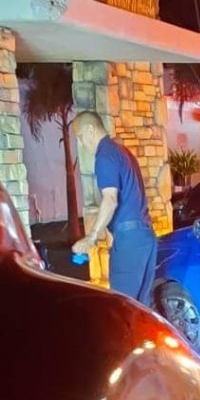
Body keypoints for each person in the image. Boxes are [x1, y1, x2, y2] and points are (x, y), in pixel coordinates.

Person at [70, 111, 157, 305]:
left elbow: (110, 199)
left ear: (90, 130)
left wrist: (91, 237)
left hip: (129, 241)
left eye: (80, 137)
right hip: (146, 237)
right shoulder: (122, 152)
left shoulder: (104, 156)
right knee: (141, 309)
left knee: (122, 307)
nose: (82, 145)